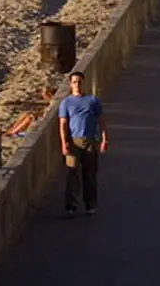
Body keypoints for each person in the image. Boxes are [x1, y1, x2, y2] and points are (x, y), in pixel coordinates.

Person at [57, 71, 106, 215]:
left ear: (83, 83)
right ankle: (71, 205)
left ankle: (90, 204)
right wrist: (64, 142)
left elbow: (101, 120)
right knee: (72, 173)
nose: (77, 85)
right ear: (70, 84)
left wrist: (104, 138)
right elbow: (63, 124)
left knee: (90, 174)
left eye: (79, 82)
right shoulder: (66, 102)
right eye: (74, 82)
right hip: (74, 141)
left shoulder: (93, 101)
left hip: (90, 140)